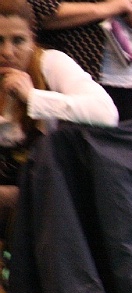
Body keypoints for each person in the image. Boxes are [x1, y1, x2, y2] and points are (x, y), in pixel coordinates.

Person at [0, 0, 118, 246]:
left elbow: (106, 112)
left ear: (33, 37)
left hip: (46, 194)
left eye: (18, 41)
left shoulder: (50, 62)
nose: (8, 52)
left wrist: (33, 97)